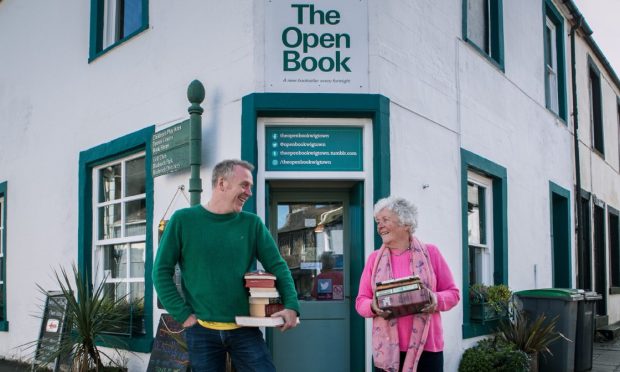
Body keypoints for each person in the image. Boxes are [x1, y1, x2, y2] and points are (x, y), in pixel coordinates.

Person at [153, 159, 299, 372]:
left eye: (250, 186)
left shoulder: (252, 224)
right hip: (201, 330)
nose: (249, 192)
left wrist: (291, 306)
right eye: (245, 185)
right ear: (222, 183)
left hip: (245, 329)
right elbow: (160, 272)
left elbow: (278, 266)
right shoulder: (183, 220)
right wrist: (183, 315)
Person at [355, 196, 460, 372]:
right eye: (377, 221)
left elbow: (453, 294)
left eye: (385, 220)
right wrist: (373, 306)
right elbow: (361, 301)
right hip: (387, 351)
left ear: (406, 224)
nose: (379, 226)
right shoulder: (374, 259)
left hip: (427, 348)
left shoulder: (430, 253)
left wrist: (434, 299)